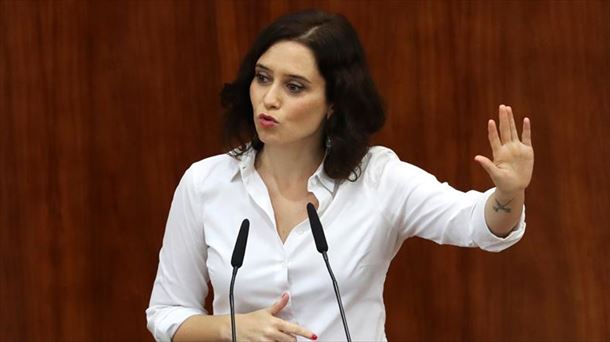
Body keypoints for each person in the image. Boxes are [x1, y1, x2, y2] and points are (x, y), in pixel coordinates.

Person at [146, 9, 534, 342]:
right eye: (263, 78)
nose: (270, 99)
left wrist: (509, 193)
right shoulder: (205, 183)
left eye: (294, 87)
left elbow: (478, 224)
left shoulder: (378, 179)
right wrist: (231, 328)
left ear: (333, 104)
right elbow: (166, 312)